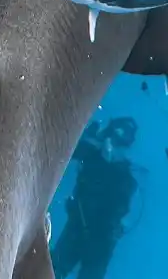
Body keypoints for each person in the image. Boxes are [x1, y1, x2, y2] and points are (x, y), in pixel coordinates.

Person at [53, 116, 140, 279]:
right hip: (79, 227)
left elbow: (122, 211)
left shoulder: (126, 179)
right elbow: (69, 148)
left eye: (120, 143)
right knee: (55, 268)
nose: (112, 149)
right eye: (112, 139)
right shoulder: (92, 155)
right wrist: (88, 136)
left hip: (100, 240)